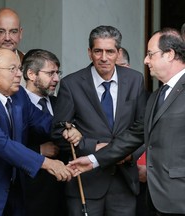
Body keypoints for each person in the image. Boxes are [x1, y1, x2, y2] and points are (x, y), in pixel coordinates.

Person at [69, 28, 185, 216]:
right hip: (160, 201)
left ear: (170, 55)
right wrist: (93, 160)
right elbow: (133, 136)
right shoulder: (157, 95)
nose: (146, 60)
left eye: (151, 54)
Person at [0, 48, 78, 216]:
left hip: (14, 194)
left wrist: (68, 130)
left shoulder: (18, 95)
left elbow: (43, 121)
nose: (19, 74)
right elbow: (4, 145)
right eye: (12, 69)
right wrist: (48, 163)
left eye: (19, 68)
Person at [51, 25, 147, 216]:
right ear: (89, 53)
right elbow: (57, 132)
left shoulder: (135, 79)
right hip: (85, 183)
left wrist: (128, 154)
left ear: (118, 53)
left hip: (124, 182)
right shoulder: (71, 84)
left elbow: (143, 127)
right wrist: (93, 147)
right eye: (98, 51)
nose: (104, 58)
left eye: (110, 51)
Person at [22, 49, 68, 216]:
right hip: (29, 193)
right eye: (50, 73)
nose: (56, 79)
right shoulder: (16, 104)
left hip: (61, 192)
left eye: (57, 73)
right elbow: (7, 145)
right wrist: (39, 151)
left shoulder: (61, 103)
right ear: (31, 74)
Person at [115, 47, 149, 216]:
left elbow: (149, 135)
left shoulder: (149, 98)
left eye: (118, 66)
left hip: (142, 178)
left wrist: (146, 166)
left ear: (127, 68)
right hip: (106, 180)